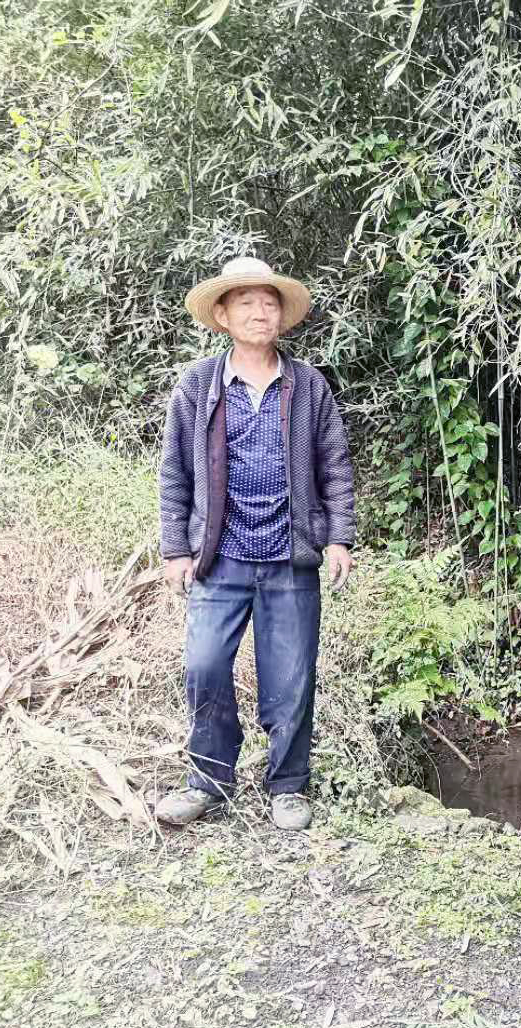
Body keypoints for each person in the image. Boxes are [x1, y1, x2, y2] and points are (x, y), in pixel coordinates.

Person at [155, 256, 356, 830]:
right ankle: (209, 781)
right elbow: (174, 473)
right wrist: (176, 549)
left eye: (269, 303)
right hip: (219, 557)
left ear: (282, 317)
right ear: (222, 315)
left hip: (291, 557)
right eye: (246, 303)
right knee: (204, 666)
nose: (260, 313)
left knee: (291, 676)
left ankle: (288, 785)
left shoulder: (308, 384)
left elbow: (334, 465)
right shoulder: (198, 385)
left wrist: (339, 537)